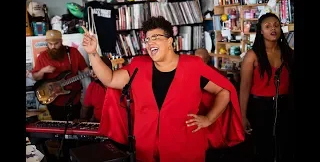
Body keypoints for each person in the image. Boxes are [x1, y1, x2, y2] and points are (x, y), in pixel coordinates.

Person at [82, 16, 244, 161]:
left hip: (186, 149)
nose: (149, 42)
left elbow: (224, 90)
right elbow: (110, 79)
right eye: (146, 39)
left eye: (156, 37)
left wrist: (208, 119)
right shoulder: (139, 66)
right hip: (146, 149)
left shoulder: (193, 66)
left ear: (170, 41)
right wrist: (92, 53)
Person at [240, 13, 294, 162]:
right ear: (261, 31)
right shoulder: (252, 55)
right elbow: (244, 87)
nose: (273, 29)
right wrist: (242, 116)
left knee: (285, 146)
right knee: (263, 148)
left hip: (284, 106)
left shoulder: (288, 53)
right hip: (259, 107)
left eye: (276, 25)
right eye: (268, 26)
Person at [32, 30, 91, 121]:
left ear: (61, 41)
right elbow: (36, 77)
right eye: (50, 44)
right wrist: (43, 71)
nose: (53, 47)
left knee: (75, 126)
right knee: (59, 128)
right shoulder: (42, 57)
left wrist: (94, 72)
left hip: (74, 98)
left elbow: (84, 69)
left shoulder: (73, 52)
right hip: (54, 101)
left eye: (56, 43)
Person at [80, 56, 112, 122]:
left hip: (115, 123)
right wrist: (82, 120)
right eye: (93, 69)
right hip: (98, 123)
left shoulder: (118, 85)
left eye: (97, 69)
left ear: (108, 69)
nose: (93, 73)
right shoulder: (92, 86)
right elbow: (85, 107)